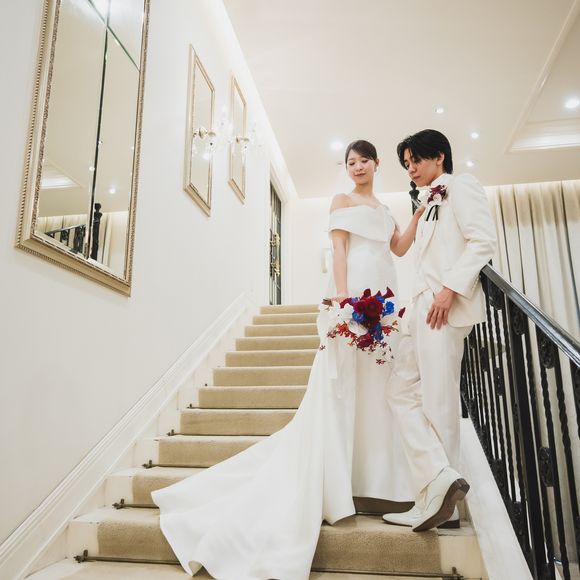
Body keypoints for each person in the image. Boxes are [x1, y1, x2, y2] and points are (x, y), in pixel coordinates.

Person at [153, 140, 425, 579]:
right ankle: (340, 481)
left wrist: (419, 212)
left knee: (380, 384)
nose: (357, 167)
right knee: (343, 382)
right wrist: (343, 298)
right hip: (356, 290)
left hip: (385, 289)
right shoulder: (341, 201)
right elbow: (340, 250)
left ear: (377, 164)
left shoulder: (385, 209)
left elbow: (398, 247)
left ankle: (376, 480)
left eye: (363, 161)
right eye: (350, 162)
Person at [382, 129, 497, 530]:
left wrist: (450, 289)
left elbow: (482, 241)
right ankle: (439, 483)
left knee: (439, 402)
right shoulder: (427, 201)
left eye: (415, 160)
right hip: (419, 308)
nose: (410, 169)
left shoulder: (461, 186)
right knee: (399, 391)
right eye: (406, 164)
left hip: (443, 308)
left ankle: (444, 507)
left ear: (439, 157)